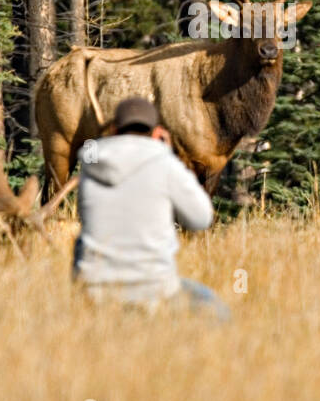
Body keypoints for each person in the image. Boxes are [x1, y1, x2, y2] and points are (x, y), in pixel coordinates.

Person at [73, 96, 230, 319]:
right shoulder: (164, 163)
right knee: (218, 311)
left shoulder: (91, 166)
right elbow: (201, 219)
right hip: (152, 288)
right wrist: (170, 155)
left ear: (114, 130)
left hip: (93, 288)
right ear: (157, 133)